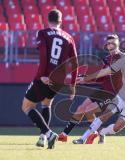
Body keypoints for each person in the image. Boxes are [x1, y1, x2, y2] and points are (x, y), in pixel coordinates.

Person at [21, 9, 78, 149]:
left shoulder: (43, 33)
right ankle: (43, 138)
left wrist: (41, 75)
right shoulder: (69, 37)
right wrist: (73, 85)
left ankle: (49, 133)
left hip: (45, 77)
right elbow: (75, 62)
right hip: (59, 80)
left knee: (27, 106)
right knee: (46, 105)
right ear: (61, 21)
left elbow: (43, 55)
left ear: (48, 20)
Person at [58, 34, 125, 144]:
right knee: (81, 108)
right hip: (102, 90)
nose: (110, 45)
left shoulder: (123, 58)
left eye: (113, 42)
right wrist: (85, 79)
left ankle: (98, 134)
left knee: (89, 110)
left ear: (118, 43)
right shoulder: (107, 58)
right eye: (108, 43)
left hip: (113, 93)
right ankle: (64, 135)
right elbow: (103, 77)